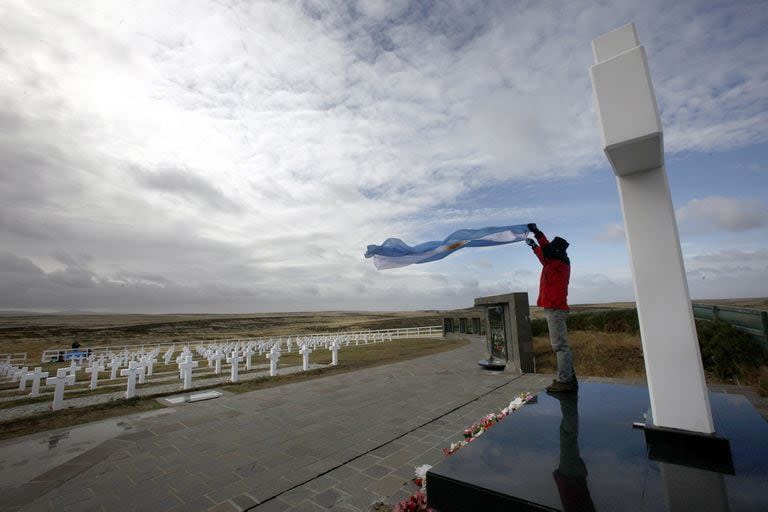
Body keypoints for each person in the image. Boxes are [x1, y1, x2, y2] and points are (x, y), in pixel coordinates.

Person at [526, 223, 577, 393]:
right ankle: (569, 376)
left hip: (555, 309)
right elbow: (544, 255)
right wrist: (534, 246)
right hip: (554, 308)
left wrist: (538, 233)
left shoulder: (560, 263)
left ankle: (565, 380)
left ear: (557, 251)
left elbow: (546, 250)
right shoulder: (554, 262)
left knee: (559, 346)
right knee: (561, 345)